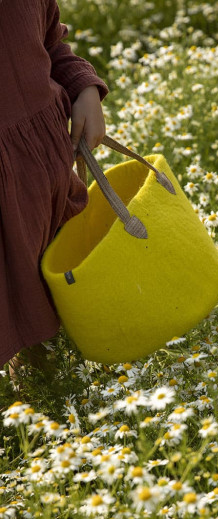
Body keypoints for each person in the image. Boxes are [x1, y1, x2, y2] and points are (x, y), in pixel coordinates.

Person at [0, 0, 108, 382]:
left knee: (49, 310)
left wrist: (84, 87)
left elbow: (49, 42)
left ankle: (47, 403)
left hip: (46, 176)